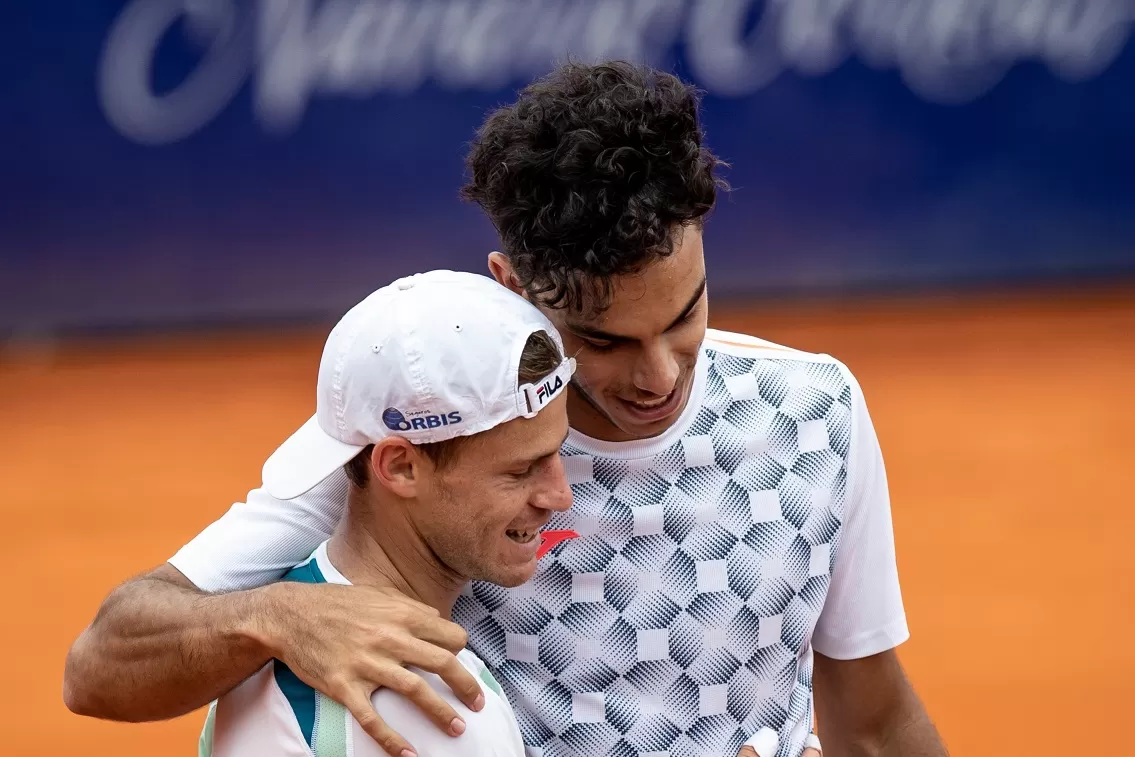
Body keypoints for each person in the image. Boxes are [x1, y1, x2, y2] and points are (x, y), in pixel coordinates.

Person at [65, 61, 948, 757]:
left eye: (684, 316)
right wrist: (280, 614)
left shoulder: (812, 413)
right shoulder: (421, 424)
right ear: (513, 287)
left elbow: (869, 721)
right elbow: (103, 662)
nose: (659, 375)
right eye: (601, 342)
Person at [200, 269, 577, 756]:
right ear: (399, 467)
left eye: (555, 453)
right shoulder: (432, 705)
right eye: (520, 471)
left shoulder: (266, 644)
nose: (560, 495)